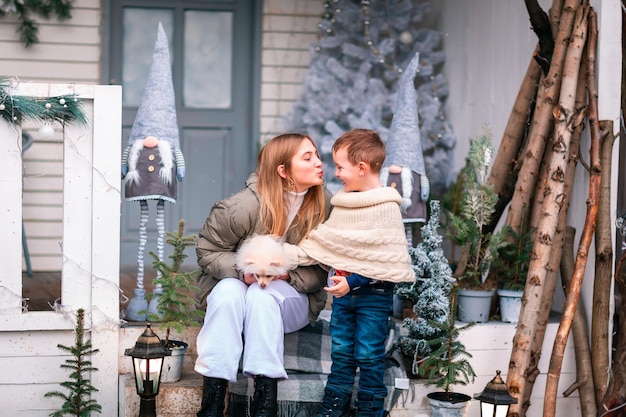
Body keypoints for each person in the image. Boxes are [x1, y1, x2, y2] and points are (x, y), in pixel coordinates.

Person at [194, 133, 332, 417]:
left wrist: (287, 277)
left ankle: (265, 403)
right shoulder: (242, 207)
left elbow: (323, 269)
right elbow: (207, 251)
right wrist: (244, 271)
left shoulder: (324, 206)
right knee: (230, 294)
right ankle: (211, 404)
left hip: (292, 298)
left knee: (262, 295)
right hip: (236, 288)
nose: (319, 163)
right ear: (283, 171)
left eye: (316, 155)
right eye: (308, 158)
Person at [283, 129, 416, 417]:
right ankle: (334, 406)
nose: (336, 172)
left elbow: (386, 263)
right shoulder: (344, 203)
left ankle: (369, 409)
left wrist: (353, 283)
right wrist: (283, 258)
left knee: (369, 354)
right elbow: (330, 242)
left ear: (361, 168)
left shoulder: (385, 207)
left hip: (372, 298)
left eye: (340, 166)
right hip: (343, 299)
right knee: (341, 354)